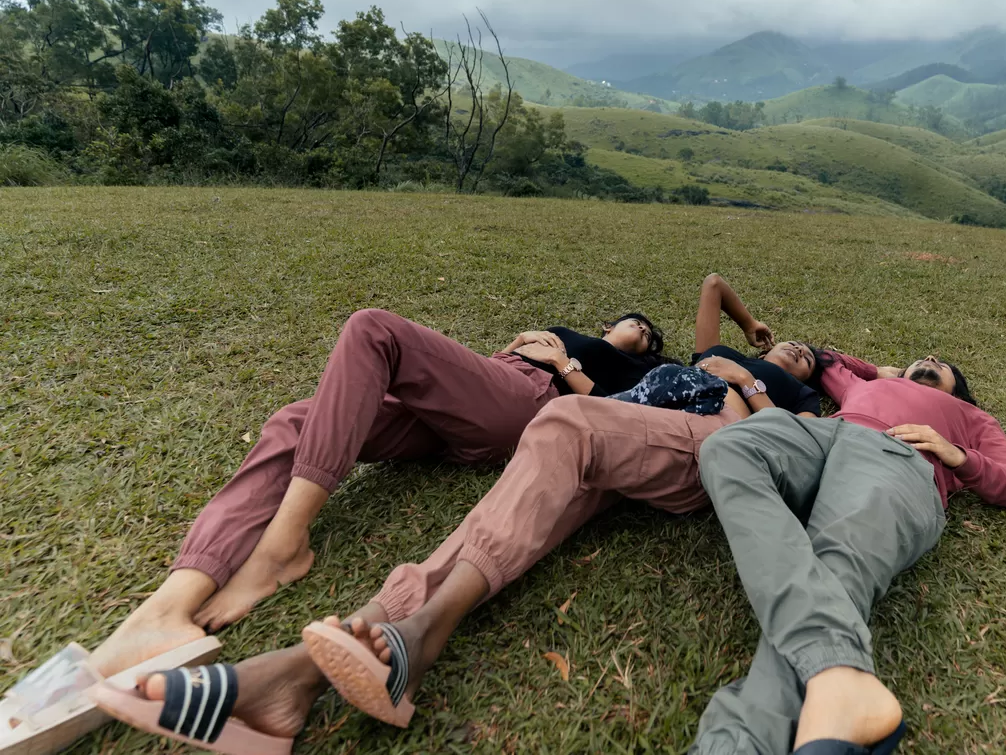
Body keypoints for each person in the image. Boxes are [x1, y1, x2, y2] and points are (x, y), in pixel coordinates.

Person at [88, 274, 824, 752]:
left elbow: (826, 428)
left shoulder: (793, 396)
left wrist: (760, 384)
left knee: (564, 426)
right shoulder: (709, 353)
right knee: (530, 458)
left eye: (803, 357)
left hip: (699, 436)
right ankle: (294, 680)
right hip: (619, 428)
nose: (788, 352)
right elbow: (712, 286)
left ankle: (409, 638)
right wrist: (747, 335)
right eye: (783, 347)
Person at [8, 306, 667, 742]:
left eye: (644, 326)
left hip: (533, 407)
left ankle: (280, 549)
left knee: (372, 328)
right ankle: (171, 601)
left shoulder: (631, 368)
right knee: (300, 419)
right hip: (479, 398)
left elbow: (615, 420)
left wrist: (564, 365)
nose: (633, 326)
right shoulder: (564, 329)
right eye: (627, 319)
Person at [689, 351, 1006, 755]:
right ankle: (838, 673)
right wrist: (878, 371)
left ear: (958, 389)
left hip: (896, 457)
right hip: (821, 437)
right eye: (923, 357)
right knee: (727, 448)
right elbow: (824, 360)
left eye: (942, 363)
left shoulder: (972, 417)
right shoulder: (867, 385)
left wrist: (959, 455)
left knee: (836, 563)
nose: (930, 357)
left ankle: (738, 744)